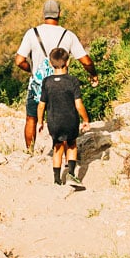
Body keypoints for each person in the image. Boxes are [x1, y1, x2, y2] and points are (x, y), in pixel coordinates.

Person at [15, 0, 97, 153]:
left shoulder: (32, 33)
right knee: (64, 119)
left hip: (37, 85)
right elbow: (86, 61)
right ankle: (66, 156)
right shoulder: (68, 35)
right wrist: (93, 75)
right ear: (59, 14)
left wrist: (32, 70)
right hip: (61, 86)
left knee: (31, 119)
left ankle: (30, 152)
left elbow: (19, 60)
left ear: (44, 14)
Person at [37, 48, 90, 184]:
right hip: (70, 120)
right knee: (72, 145)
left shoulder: (47, 82)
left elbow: (41, 105)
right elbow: (78, 105)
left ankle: (56, 179)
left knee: (57, 147)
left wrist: (40, 121)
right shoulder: (72, 81)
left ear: (50, 63)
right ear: (68, 62)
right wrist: (85, 120)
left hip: (54, 121)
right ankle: (71, 173)